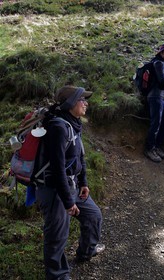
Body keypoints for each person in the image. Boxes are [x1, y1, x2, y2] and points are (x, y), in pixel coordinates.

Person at [35, 86, 104, 280]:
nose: (86, 103)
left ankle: (86, 251)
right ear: (71, 103)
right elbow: (57, 169)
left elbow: (78, 156)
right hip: (54, 189)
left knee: (93, 216)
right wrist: (68, 201)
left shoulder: (73, 123)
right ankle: (57, 275)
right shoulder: (58, 127)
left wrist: (83, 182)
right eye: (82, 99)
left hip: (71, 185)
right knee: (57, 235)